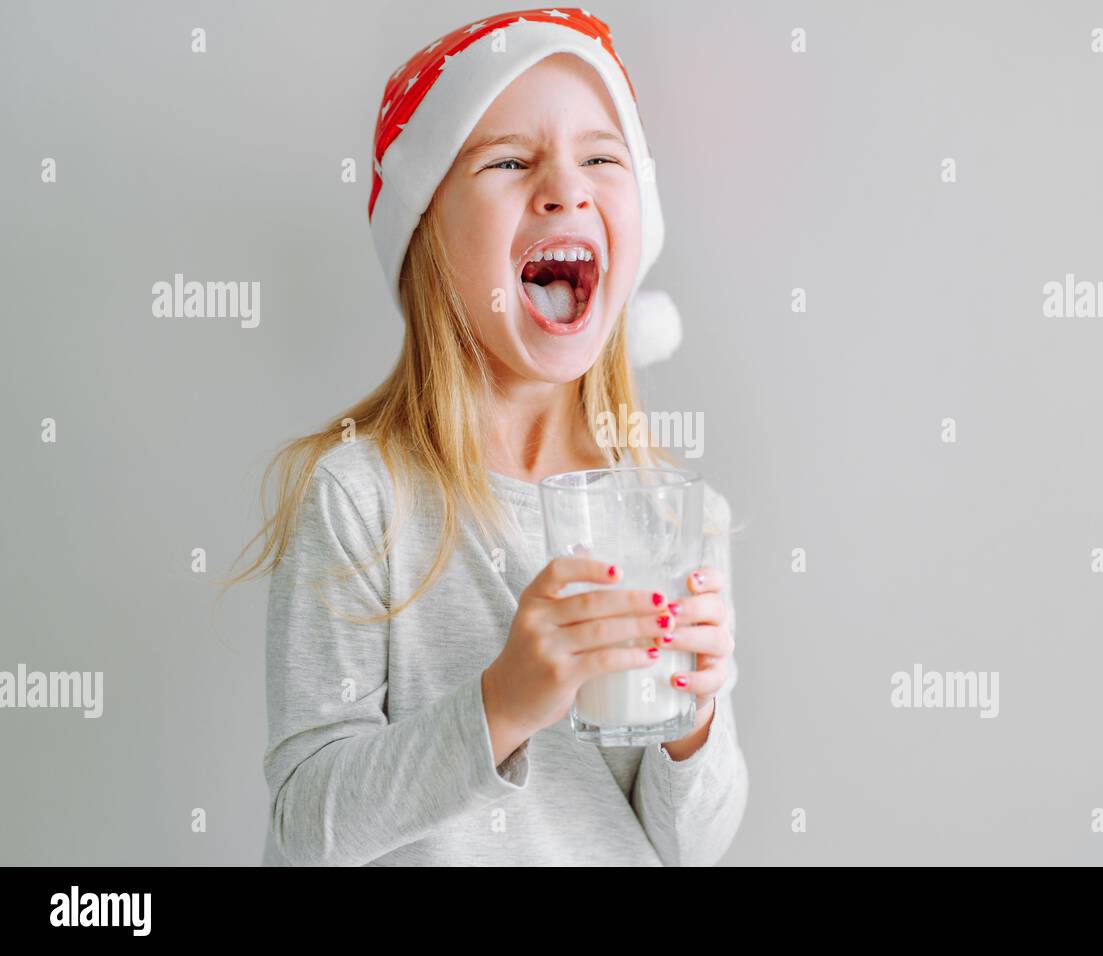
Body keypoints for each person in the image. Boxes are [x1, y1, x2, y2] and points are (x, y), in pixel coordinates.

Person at [221, 7, 747, 866]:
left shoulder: (673, 517)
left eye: (601, 158)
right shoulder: (363, 498)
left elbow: (691, 844)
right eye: (509, 160)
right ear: (427, 234)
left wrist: (697, 722)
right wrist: (503, 701)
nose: (565, 188)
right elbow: (307, 830)